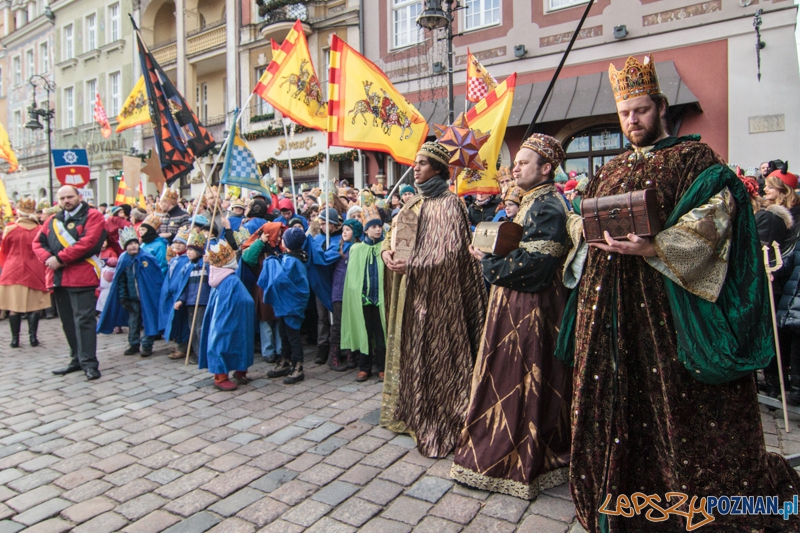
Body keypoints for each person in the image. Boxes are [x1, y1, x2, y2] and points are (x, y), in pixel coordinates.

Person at [559, 55, 800, 532]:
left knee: (679, 410)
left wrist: (657, 245)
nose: (632, 120)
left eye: (641, 110)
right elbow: (582, 220)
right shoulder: (610, 168)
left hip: (672, 313)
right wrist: (581, 228)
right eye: (625, 112)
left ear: (661, 107)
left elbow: (717, 220)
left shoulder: (694, 160)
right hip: (614, 312)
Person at [452, 134, 572, 500]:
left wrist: (488, 263)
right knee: (507, 376)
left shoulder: (548, 205)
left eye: (523, 161)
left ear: (546, 168)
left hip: (531, 311)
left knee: (521, 379)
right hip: (516, 307)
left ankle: (520, 454)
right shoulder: (532, 202)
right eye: (515, 161)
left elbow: (535, 268)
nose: (514, 167)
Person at [380, 141, 487, 458]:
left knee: (438, 356)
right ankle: (414, 410)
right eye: (416, 162)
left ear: (439, 169)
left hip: (442, 300)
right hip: (411, 295)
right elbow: (393, 235)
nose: (416, 167)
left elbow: (451, 254)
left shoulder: (451, 204)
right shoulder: (412, 204)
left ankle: (444, 415)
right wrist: (387, 251)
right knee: (414, 353)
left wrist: (412, 265)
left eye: (423, 163)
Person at [33, 186, 106, 380]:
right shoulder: (53, 220)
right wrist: (49, 258)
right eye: (62, 198)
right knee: (67, 322)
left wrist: (60, 259)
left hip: (82, 276)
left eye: (70, 197)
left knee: (84, 321)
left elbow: (88, 243)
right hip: (58, 277)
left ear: (79, 197)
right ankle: (76, 358)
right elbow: (37, 243)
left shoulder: (93, 216)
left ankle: (89, 362)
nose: (67, 200)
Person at [97, 226, 164, 357]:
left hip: (147, 298)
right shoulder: (124, 259)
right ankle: (133, 344)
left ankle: (147, 345)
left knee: (147, 321)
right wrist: (123, 297)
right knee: (133, 323)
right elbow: (120, 281)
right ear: (124, 246)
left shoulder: (146, 258)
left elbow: (155, 279)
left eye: (135, 243)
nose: (133, 246)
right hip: (132, 298)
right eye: (130, 244)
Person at [198, 241, 255, 391]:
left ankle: (240, 369)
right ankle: (220, 376)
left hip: (237, 315)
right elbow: (241, 299)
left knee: (239, 340)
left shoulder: (226, 278)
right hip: (229, 316)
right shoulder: (228, 280)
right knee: (223, 340)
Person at [260, 227, 310, 384]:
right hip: (287, 304)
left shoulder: (291, 260)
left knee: (292, 335)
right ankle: (286, 359)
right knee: (284, 332)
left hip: (291, 304)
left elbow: (281, 279)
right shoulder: (294, 257)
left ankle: (298, 365)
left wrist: (272, 262)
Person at [0, 197, 48, 348]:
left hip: (13, 269)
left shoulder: (10, 228)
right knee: (33, 306)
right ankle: (33, 338)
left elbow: (5, 249)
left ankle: (15, 340)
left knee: (15, 307)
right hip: (35, 269)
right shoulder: (40, 230)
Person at [341, 217, 386, 381]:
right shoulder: (356, 249)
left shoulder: (385, 247)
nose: (378, 229)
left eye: (379, 226)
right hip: (364, 299)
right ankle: (364, 367)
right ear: (366, 230)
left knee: (381, 334)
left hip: (380, 299)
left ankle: (382, 367)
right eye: (373, 226)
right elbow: (352, 276)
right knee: (364, 332)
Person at [240, 222, 285, 364]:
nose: (278, 238)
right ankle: (268, 351)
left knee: (279, 323)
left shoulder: (280, 248)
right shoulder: (259, 250)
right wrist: (260, 242)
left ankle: (281, 350)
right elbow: (247, 258)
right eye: (276, 234)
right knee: (266, 322)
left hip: (278, 289)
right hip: (262, 289)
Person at [305, 208, 343, 365]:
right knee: (322, 317)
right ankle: (322, 347)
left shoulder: (341, 239)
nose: (321, 227)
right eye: (320, 224)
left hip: (335, 284)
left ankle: (337, 347)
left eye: (324, 224)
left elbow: (326, 258)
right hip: (321, 283)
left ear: (333, 224)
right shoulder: (318, 238)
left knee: (334, 317)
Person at [326, 218, 361, 371]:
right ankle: (333, 355)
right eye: (343, 230)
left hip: (354, 292)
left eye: (348, 230)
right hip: (339, 292)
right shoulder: (338, 247)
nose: (344, 232)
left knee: (352, 322)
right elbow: (324, 259)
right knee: (338, 324)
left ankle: (350, 353)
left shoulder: (359, 247)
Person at [175, 232, 211, 364]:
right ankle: (196, 352)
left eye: (191, 250)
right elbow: (183, 286)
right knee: (193, 329)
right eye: (188, 249)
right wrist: (181, 299)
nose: (188, 252)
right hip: (191, 302)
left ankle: (203, 352)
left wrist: (208, 264)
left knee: (200, 328)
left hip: (203, 301)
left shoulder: (205, 266)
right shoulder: (187, 267)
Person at [160, 228, 191, 360]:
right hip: (172, 294)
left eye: (181, 242)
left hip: (181, 295)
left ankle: (182, 346)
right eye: (175, 242)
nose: (177, 245)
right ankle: (178, 342)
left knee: (182, 321)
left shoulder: (186, 260)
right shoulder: (174, 259)